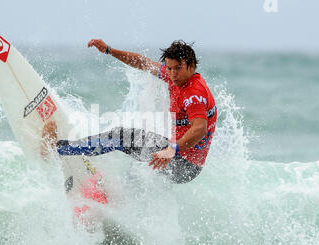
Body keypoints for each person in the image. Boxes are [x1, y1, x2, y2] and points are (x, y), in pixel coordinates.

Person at [42, 39, 217, 184]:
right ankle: (115, 199)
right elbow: (142, 63)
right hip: (183, 161)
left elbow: (199, 128)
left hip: (182, 164)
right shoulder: (174, 78)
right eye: (169, 68)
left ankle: (57, 149)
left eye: (178, 68)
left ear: (191, 66)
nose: (172, 74)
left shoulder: (194, 93)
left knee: (120, 136)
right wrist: (109, 50)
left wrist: (172, 149)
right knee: (136, 171)